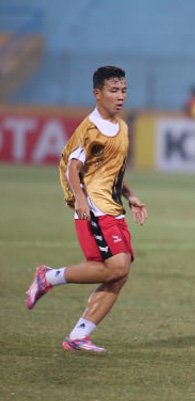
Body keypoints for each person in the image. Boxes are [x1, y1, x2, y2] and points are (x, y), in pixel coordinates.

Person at [25, 66, 148, 352]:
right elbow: (73, 167)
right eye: (113, 91)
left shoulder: (122, 126)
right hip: (94, 207)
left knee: (119, 273)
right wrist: (80, 199)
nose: (120, 97)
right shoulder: (90, 128)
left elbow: (109, 170)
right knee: (117, 266)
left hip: (113, 206)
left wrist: (130, 195)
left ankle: (79, 335)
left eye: (124, 90)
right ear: (97, 93)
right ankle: (49, 277)